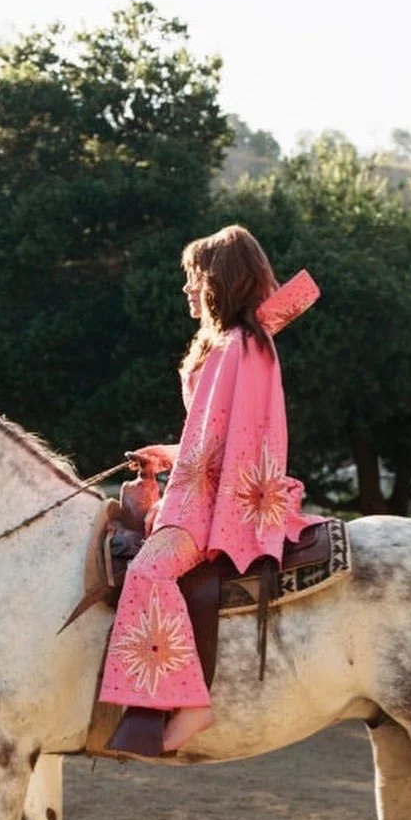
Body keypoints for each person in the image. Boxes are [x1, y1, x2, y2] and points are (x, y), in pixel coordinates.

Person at [100, 224, 321, 756]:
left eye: (194, 278)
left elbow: (217, 451)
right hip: (208, 488)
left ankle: (191, 704)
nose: (186, 290)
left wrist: (174, 497)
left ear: (218, 282)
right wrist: (167, 454)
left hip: (209, 504)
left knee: (151, 570)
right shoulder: (237, 345)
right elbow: (212, 438)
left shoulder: (235, 349)